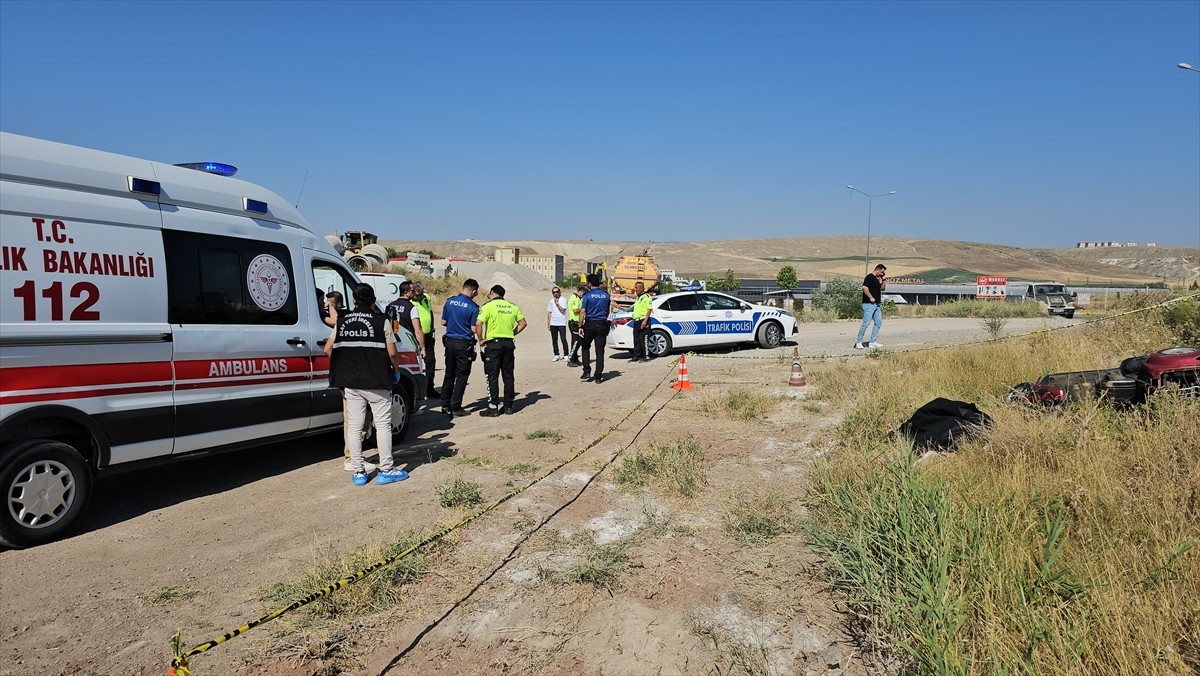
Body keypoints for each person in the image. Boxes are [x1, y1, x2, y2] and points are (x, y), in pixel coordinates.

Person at [324, 283, 409, 486]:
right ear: (373, 302)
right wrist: (395, 371)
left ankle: (359, 472)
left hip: (351, 383)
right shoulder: (382, 321)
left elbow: (328, 349)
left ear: (353, 300)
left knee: (354, 426)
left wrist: (344, 364)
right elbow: (393, 353)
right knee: (383, 425)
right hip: (377, 382)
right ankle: (386, 470)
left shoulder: (342, 321)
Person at [476, 285, 527, 416]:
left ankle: (493, 407)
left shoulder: (488, 306)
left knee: (492, 376)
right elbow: (523, 323)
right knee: (508, 376)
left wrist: (480, 339)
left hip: (494, 344)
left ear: (492, 293)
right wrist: (512, 333)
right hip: (508, 343)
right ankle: (508, 406)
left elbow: (478, 323)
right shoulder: (512, 306)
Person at [440, 278, 480, 416]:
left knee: (449, 374)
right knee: (462, 375)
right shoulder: (473, 307)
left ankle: (445, 405)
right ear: (474, 291)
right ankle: (456, 407)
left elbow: (443, 322)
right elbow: (474, 329)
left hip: (450, 342)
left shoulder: (449, 301)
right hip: (464, 343)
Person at [578, 273, 611, 383]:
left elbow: (582, 312)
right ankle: (598, 375)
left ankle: (586, 371)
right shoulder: (606, 295)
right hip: (602, 324)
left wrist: (580, 326)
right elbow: (608, 310)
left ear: (589, 283)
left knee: (585, 347)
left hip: (590, 324)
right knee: (600, 352)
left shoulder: (587, 295)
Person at [412, 281, 440, 398]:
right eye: (417, 295)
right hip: (414, 337)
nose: (419, 297)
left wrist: (432, 327)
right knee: (415, 365)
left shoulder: (426, 298)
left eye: (421, 294)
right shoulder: (410, 302)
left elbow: (430, 312)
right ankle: (415, 391)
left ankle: (429, 389)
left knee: (430, 363)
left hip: (428, 336)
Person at [385, 281, 425, 360]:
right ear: (406, 293)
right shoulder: (412, 308)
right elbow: (418, 331)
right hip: (408, 345)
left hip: (392, 344)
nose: (414, 293)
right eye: (412, 291)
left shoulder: (390, 306)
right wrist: (423, 348)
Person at [855, 263, 887, 349]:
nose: (882, 274)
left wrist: (883, 280)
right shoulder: (869, 277)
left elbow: (882, 289)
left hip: (877, 305)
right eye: (881, 272)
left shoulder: (876, 279)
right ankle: (858, 342)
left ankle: (873, 342)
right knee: (866, 323)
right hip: (869, 304)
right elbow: (864, 287)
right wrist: (870, 297)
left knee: (878, 322)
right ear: (877, 269)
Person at [629, 281, 653, 362]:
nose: (635, 289)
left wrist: (645, 321)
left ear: (641, 288)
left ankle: (646, 356)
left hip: (643, 320)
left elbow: (649, 309)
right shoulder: (638, 297)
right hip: (636, 321)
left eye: (636, 287)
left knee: (644, 339)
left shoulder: (646, 297)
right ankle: (636, 356)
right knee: (636, 339)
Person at [546, 286, 569, 361]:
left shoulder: (563, 300)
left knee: (563, 339)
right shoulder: (551, 301)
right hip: (553, 323)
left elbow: (562, 310)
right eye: (554, 292)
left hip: (561, 323)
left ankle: (566, 354)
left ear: (560, 292)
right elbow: (549, 312)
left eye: (557, 292)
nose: (555, 293)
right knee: (554, 340)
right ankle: (556, 354)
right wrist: (548, 323)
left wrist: (557, 304)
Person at [565, 284, 586, 366]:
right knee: (576, 342)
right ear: (581, 291)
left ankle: (575, 359)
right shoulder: (575, 298)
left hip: (577, 322)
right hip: (574, 323)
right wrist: (584, 310)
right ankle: (570, 360)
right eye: (584, 293)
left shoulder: (578, 298)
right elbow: (575, 310)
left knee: (579, 341)